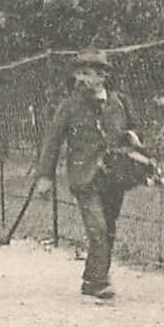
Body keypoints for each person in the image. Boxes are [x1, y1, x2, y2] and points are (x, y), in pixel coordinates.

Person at [35, 50, 141, 300]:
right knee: (98, 228)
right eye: (78, 73)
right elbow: (52, 141)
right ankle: (99, 281)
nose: (81, 79)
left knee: (109, 228)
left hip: (114, 176)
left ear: (102, 76)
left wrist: (133, 138)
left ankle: (92, 277)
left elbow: (134, 130)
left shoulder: (120, 102)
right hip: (84, 176)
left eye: (87, 73)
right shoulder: (70, 106)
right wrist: (45, 176)